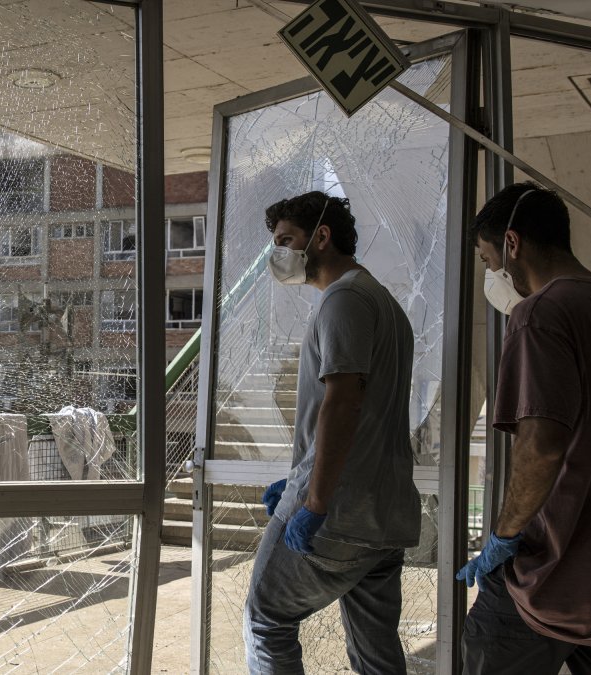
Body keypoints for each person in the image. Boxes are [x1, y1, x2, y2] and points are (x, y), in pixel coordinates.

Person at [460, 182, 591, 674]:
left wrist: (503, 536)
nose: (492, 277)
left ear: (512, 244)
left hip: (553, 574)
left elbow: (541, 446)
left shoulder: (539, 314)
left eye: (488, 263)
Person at [245, 191, 420, 674]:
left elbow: (343, 402)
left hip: (337, 515)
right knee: (375, 654)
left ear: (321, 237)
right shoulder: (383, 303)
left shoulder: (343, 298)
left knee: (266, 620)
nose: (278, 253)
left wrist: (314, 500)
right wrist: (302, 473)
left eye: (286, 240)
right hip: (383, 519)